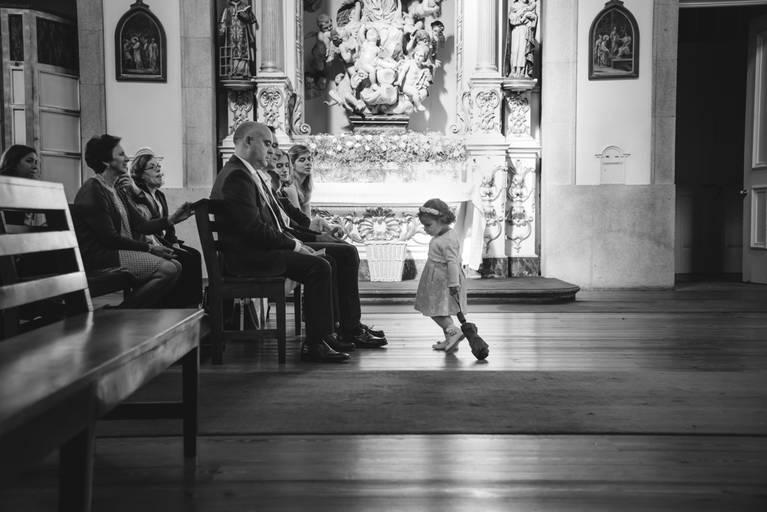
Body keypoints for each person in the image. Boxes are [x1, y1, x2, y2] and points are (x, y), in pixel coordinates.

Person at [210, 122, 351, 362]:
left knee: (330, 258)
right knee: (319, 266)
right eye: (267, 144)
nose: (272, 150)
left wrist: (298, 242)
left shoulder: (244, 173)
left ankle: (328, 335)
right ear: (248, 142)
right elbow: (254, 230)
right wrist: (296, 246)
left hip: (255, 251)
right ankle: (316, 344)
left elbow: (269, 224)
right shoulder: (237, 176)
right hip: (248, 258)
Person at [73, 134, 191, 308]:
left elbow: (140, 224)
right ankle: (123, 312)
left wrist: (172, 219)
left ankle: (135, 312)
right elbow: (110, 239)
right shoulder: (93, 189)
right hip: (101, 257)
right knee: (168, 269)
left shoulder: (115, 190)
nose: (127, 159)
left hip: (116, 252)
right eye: (121, 154)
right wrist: (150, 248)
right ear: (106, 161)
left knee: (176, 265)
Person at [117, 147, 203, 308]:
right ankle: (178, 305)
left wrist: (174, 242)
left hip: (163, 240)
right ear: (140, 174)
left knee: (194, 254)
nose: (158, 170)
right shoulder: (136, 194)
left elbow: (169, 228)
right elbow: (145, 224)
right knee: (186, 259)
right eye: (152, 167)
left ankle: (193, 304)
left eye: (158, 166)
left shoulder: (160, 195)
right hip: (147, 241)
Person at [414, 198, 468, 353]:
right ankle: (451, 340)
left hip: (444, 281)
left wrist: (453, 283)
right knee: (439, 309)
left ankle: (453, 331)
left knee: (435, 310)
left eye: (428, 225)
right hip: (436, 279)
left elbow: (452, 263)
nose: (425, 229)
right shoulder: (442, 235)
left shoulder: (448, 239)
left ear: (442, 220)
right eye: (424, 225)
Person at [0, 145, 46, 227]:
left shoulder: (31, 190)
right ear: (13, 163)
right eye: (29, 161)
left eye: (36, 162)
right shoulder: (3, 188)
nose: (35, 167)